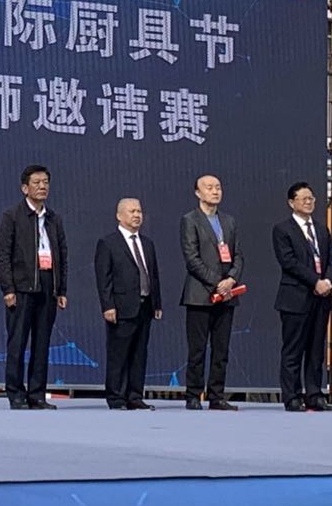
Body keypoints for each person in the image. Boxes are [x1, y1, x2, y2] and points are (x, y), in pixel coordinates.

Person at [0, 164, 67, 410]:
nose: (42, 186)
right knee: (18, 342)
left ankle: (37, 394)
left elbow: (62, 255)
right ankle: (15, 393)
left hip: (48, 286)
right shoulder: (12, 216)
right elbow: (3, 254)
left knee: (42, 343)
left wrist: (61, 290)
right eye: (36, 182)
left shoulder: (54, 218)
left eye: (45, 182)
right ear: (25, 188)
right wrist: (8, 289)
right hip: (22, 287)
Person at [272, 181, 332, 412]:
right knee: (293, 349)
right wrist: (315, 281)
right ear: (292, 203)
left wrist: (327, 281)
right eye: (304, 199)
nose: (309, 202)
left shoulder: (321, 229)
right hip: (296, 297)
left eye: (311, 198)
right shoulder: (282, 230)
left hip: (321, 298)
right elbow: (289, 262)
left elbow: (331, 259)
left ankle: (314, 394)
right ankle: (292, 396)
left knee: (316, 349)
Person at [178, 175, 241, 411]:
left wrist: (231, 280)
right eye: (209, 188)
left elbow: (238, 255)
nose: (215, 191)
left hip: (227, 295)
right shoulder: (190, 220)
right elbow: (192, 259)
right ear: (198, 193)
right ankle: (193, 395)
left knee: (221, 349)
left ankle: (217, 396)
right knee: (197, 350)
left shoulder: (229, 221)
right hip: (200, 294)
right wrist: (218, 283)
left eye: (218, 187)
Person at [96, 197, 162, 411]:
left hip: (144, 306)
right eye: (132, 211)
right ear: (119, 215)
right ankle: (116, 397)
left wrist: (156, 303)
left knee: (139, 354)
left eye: (139, 211)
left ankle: (135, 396)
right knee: (118, 354)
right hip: (121, 307)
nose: (137, 215)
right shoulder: (108, 243)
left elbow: (153, 275)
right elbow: (103, 278)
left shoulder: (147, 243)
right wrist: (108, 305)